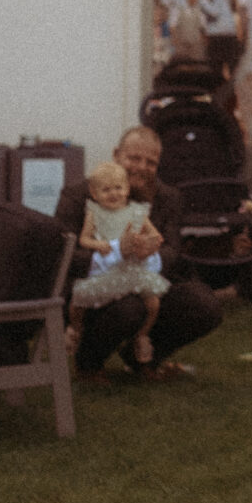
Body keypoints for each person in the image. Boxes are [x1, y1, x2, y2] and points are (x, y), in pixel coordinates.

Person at [54, 126, 222, 379]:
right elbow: (65, 258)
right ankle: (89, 361)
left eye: (151, 162)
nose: (141, 167)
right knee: (130, 308)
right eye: (134, 158)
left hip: (145, 280)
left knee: (205, 305)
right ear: (116, 155)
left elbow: (172, 252)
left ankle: (142, 359)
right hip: (93, 288)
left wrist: (149, 253)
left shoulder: (168, 198)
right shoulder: (78, 196)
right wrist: (115, 254)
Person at [68, 158, 167, 368]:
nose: (113, 194)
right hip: (108, 268)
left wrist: (149, 243)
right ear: (94, 194)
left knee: (153, 303)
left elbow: (156, 235)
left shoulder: (137, 212)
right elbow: (83, 239)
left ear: (127, 189)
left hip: (132, 268)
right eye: (106, 190)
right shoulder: (94, 213)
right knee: (78, 300)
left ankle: (142, 337)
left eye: (118, 188)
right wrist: (97, 244)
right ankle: (76, 330)